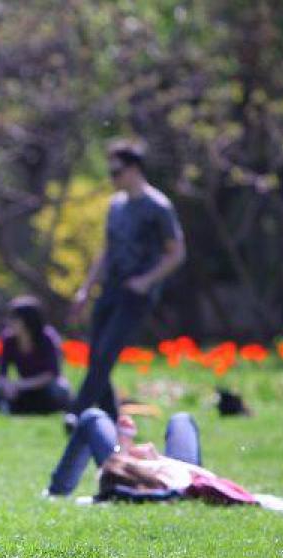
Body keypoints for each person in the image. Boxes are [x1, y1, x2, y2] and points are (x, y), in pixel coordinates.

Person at [68, 139, 186, 424]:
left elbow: (177, 253)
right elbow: (107, 251)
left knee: (106, 352)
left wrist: (146, 281)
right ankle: (110, 418)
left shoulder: (158, 206)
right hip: (110, 287)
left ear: (134, 169)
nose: (113, 178)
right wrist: (86, 289)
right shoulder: (116, 205)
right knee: (96, 353)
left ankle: (76, 413)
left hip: (136, 293)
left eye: (117, 172)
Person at [45, 411, 283, 511]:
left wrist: (127, 452)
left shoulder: (118, 478)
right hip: (168, 467)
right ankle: (121, 450)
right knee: (181, 419)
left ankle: (56, 491)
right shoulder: (186, 483)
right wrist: (156, 459)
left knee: (92, 417)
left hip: (130, 466)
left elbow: (112, 482)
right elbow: (203, 477)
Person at [0, 296, 71, 415]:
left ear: (28, 320)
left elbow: (52, 374)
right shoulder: (8, 340)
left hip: (44, 386)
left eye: (14, 319)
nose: (9, 323)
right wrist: (7, 385)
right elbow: (1, 373)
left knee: (60, 390)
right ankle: (13, 410)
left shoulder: (47, 339)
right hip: (22, 386)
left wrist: (22, 385)